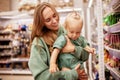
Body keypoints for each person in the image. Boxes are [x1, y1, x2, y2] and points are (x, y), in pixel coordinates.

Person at [28, 2, 89, 80]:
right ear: (42, 23)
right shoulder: (38, 44)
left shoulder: (67, 30)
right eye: (48, 20)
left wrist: (74, 49)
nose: (54, 21)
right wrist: (70, 74)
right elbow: (41, 76)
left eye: (54, 15)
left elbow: (86, 55)